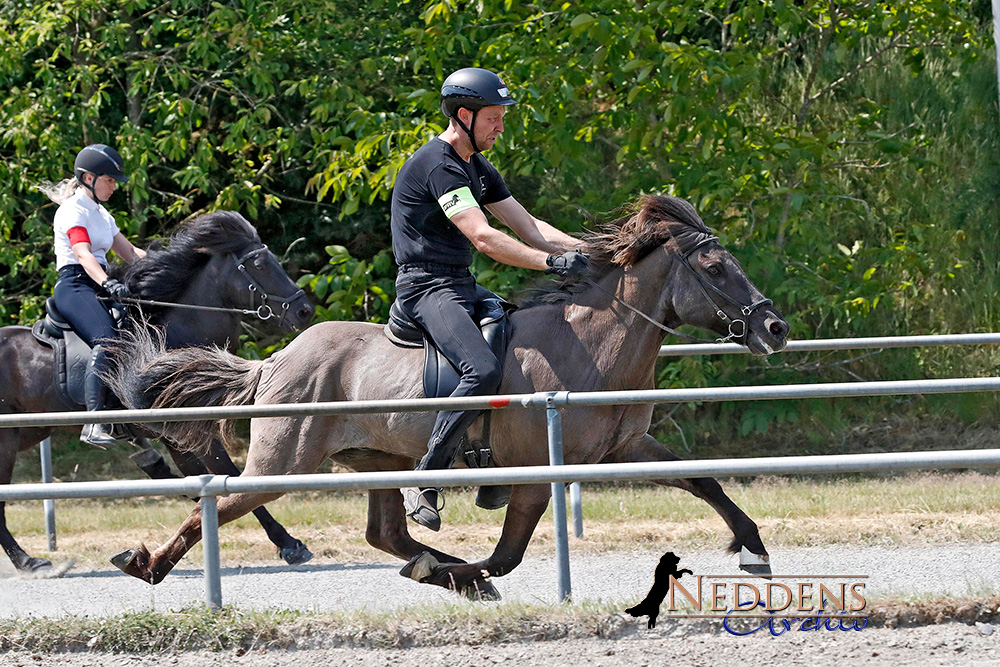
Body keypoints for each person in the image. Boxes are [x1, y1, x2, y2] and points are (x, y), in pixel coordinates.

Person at [390, 67, 589, 531]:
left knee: (518, 340)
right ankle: (425, 476)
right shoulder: (439, 165)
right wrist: (551, 265)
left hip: (460, 283)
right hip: (425, 287)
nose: (501, 126)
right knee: (480, 369)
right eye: (495, 118)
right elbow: (484, 237)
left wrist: (591, 253)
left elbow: (529, 227)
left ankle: (492, 466)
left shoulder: (477, 165)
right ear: (465, 115)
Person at [43, 144, 146, 447]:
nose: (114, 186)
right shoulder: (72, 210)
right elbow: (83, 254)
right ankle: (95, 421)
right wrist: (107, 282)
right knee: (108, 339)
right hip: (75, 285)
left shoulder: (102, 214)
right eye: (109, 180)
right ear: (88, 178)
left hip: (99, 284)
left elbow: (129, 252)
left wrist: (168, 263)